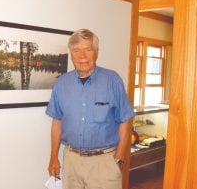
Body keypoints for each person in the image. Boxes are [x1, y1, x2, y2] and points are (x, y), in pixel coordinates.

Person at [46, 29, 134, 189]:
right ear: (71, 54)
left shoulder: (112, 80)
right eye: (76, 50)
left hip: (104, 162)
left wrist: (119, 158)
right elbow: (57, 121)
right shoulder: (61, 84)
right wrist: (53, 157)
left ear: (96, 52)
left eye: (88, 49)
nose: (82, 56)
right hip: (71, 161)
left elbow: (125, 119)